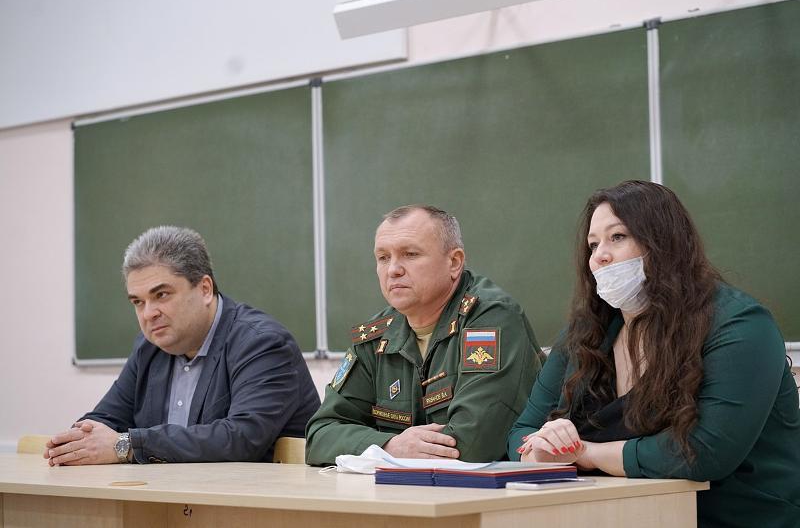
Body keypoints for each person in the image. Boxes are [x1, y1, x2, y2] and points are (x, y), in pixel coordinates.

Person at [508, 180, 800, 527]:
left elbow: (705, 453)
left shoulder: (741, 325)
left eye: (618, 237)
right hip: (624, 516)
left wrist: (586, 453)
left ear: (663, 244)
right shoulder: (586, 333)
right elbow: (522, 432)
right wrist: (540, 452)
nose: (599, 256)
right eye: (593, 244)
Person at [45, 226, 320, 465]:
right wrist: (76, 441)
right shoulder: (149, 348)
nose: (148, 313)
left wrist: (127, 445)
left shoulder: (262, 343)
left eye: (161, 295)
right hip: (176, 499)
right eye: (138, 302)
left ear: (205, 289)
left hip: (256, 502)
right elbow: (106, 419)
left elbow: (240, 439)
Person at [306, 205, 544, 464]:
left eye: (410, 254)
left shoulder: (491, 319)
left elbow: (471, 445)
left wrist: (379, 451)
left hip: (493, 488)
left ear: (454, 262)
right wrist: (390, 446)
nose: (393, 269)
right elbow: (320, 436)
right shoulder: (376, 337)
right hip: (405, 488)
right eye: (383, 257)